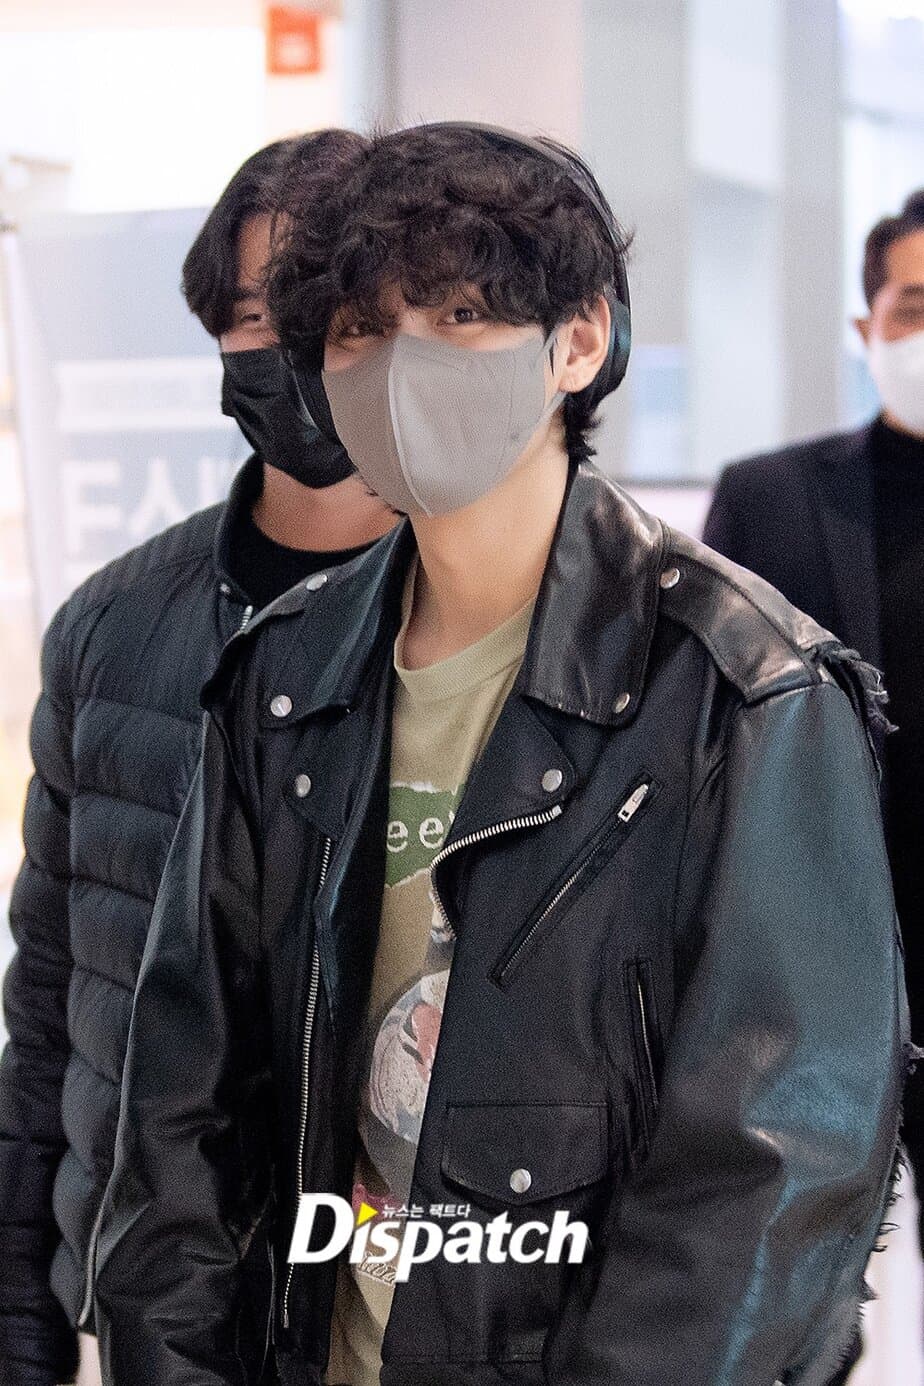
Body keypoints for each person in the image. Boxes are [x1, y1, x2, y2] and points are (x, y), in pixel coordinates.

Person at [95, 124, 906, 1386]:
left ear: (578, 343)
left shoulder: (742, 690)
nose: (401, 364)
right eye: (360, 329)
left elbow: (774, 1168)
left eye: (461, 316)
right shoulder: (281, 675)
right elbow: (180, 1119)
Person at [0, 131, 396, 1386]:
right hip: (160, 1302)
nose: (294, 347)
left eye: (334, 309)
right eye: (255, 314)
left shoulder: (489, 617)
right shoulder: (114, 628)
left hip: (411, 1296)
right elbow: (50, 1009)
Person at [704, 188, 924, 1244]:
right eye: (913, 307)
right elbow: (708, 734)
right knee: (793, 1287)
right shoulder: (770, 499)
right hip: (815, 982)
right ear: (865, 326)